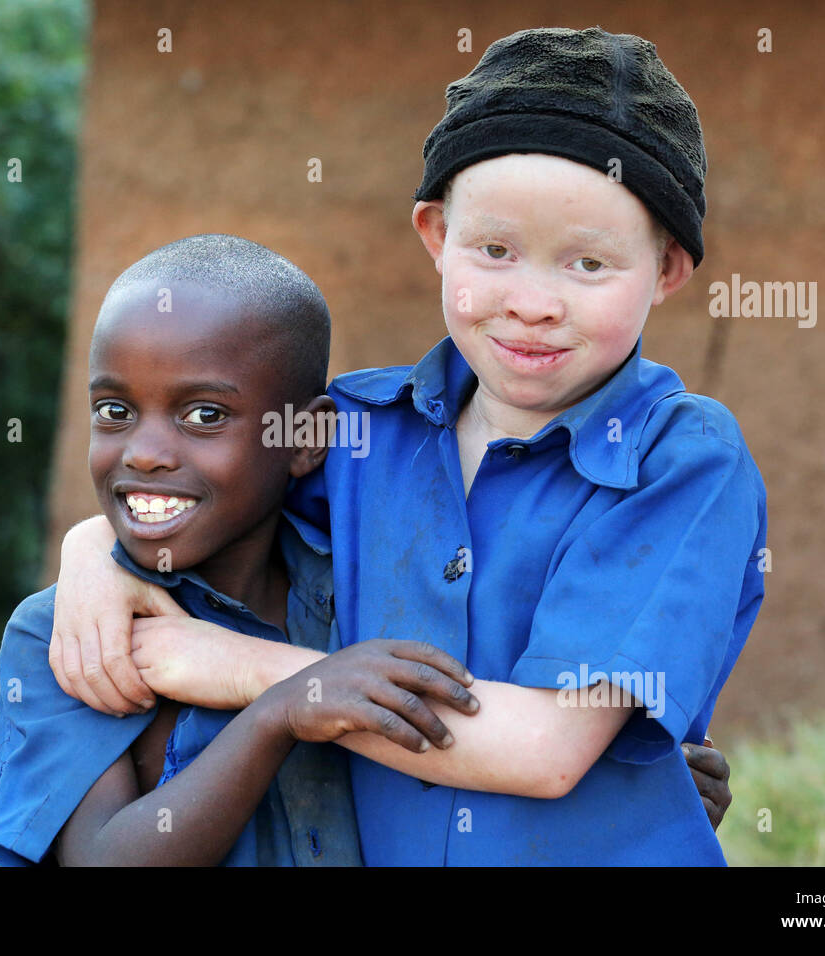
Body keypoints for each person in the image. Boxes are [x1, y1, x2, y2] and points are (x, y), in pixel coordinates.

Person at [49, 26, 758, 864]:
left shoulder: (682, 460)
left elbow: (548, 750)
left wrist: (245, 669)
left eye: (589, 265)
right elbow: (209, 500)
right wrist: (91, 553)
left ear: (668, 268)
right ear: (435, 234)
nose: (533, 302)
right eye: (495, 250)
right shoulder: (356, 433)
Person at [0, 234, 483, 866]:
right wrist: (275, 715)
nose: (144, 453)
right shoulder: (74, 636)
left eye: (204, 416)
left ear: (305, 438)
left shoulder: (364, 582)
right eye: (114, 410)